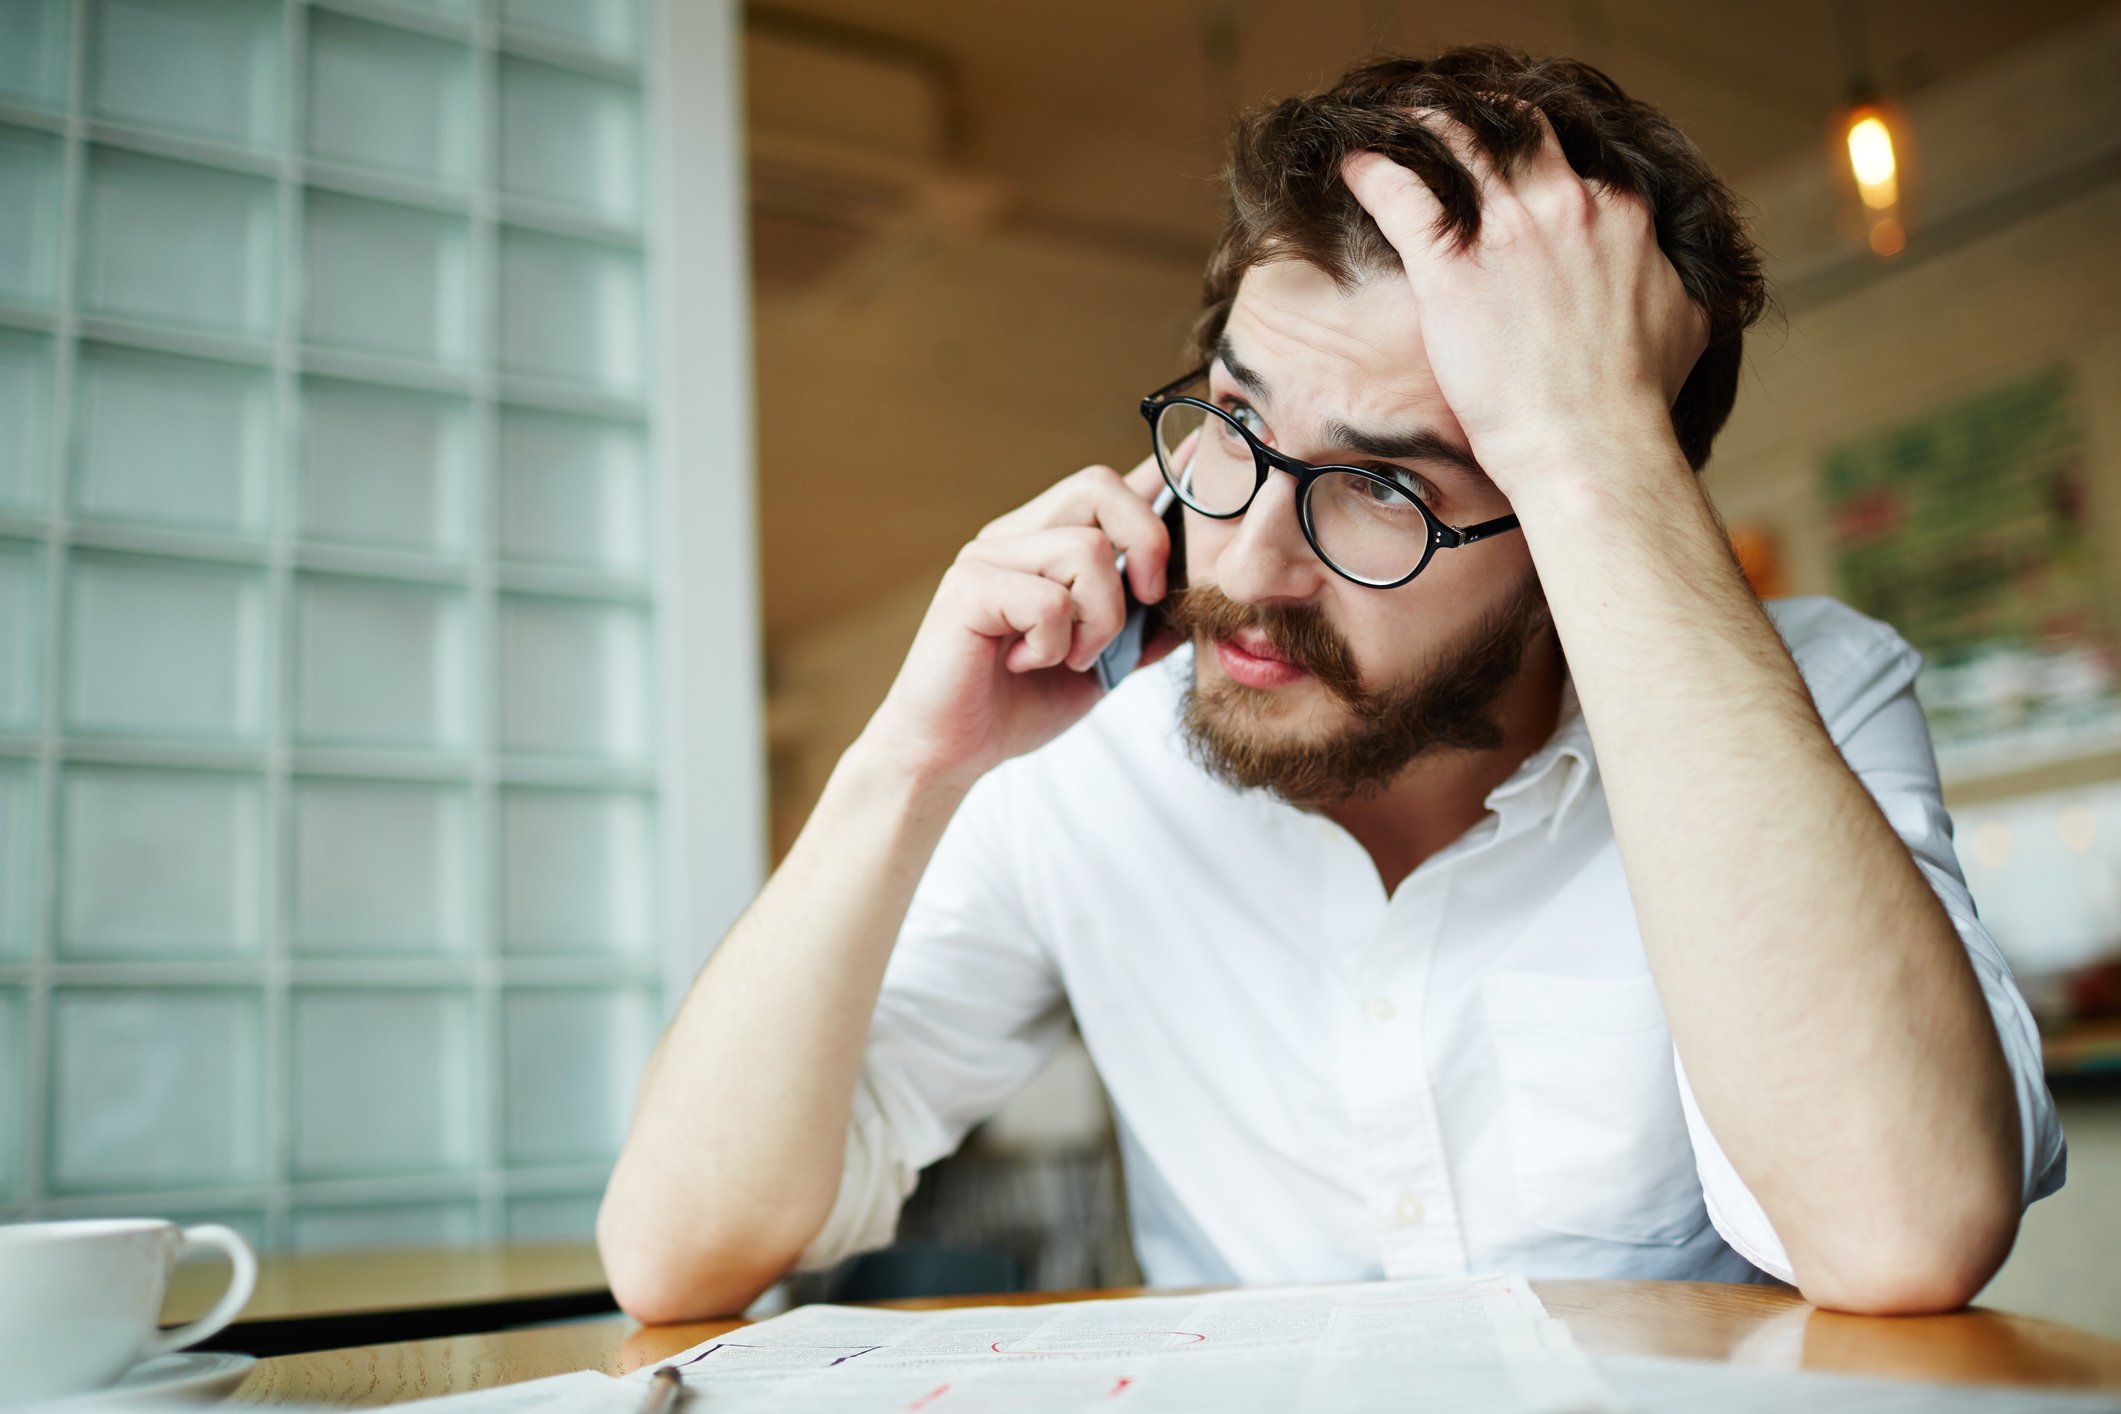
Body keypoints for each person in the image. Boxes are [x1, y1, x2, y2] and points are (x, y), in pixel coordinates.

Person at [598, 46, 2064, 1321]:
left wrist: (1592, 448)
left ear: (1573, 513)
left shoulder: (1806, 693)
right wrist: (903, 766)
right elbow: (677, 1246)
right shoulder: (1083, 751)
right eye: (1232, 417)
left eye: (1378, 486)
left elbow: (1899, 1228)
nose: (1243, 556)